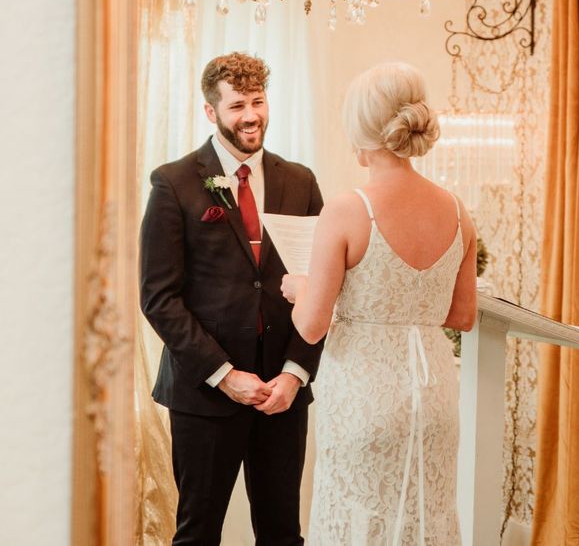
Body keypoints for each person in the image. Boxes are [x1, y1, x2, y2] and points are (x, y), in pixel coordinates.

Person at [281, 62, 477, 545]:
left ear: (362, 129)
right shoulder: (456, 209)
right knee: (425, 516)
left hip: (364, 395)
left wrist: (297, 287)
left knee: (358, 518)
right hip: (434, 397)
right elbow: (462, 315)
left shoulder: (349, 208)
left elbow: (310, 325)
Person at [139, 52, 324, 546]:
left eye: (258, 101)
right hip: (204, 394)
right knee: (198, 534)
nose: (250, 115)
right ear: (210, 111)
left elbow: (326, 287)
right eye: (237, 104)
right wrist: (225, 375)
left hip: (283, 395)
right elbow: (159, 298)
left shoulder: (300, 181)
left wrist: (295, 373)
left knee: (283, 533)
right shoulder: (173, 183)